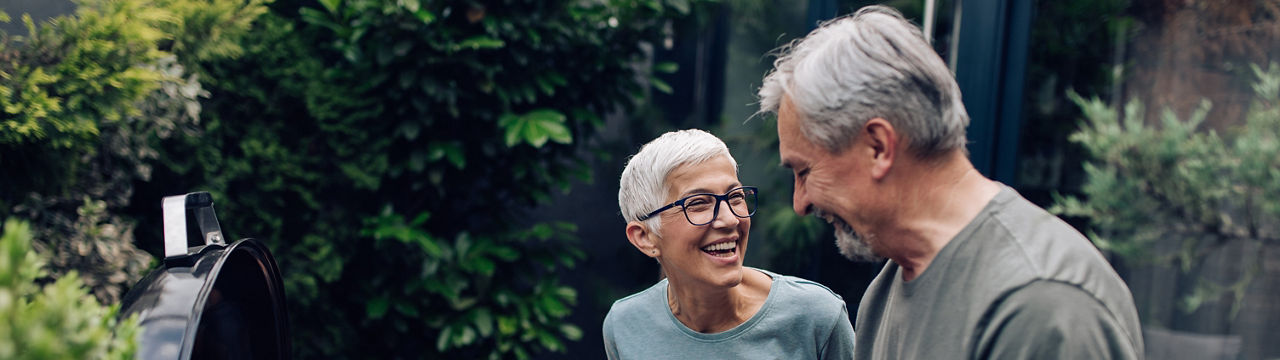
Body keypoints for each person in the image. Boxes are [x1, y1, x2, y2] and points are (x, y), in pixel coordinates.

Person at [756, 5, 1144, 359]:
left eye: (804, 172)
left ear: (878, 147)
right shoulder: (889, 285)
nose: (800, 202)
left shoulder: (1043, 303)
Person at [603, 129, 855, 359]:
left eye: (735, 197)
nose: (730, 219)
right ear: (644, 238)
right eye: (699, 203)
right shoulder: (624, 325)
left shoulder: (816, 316)